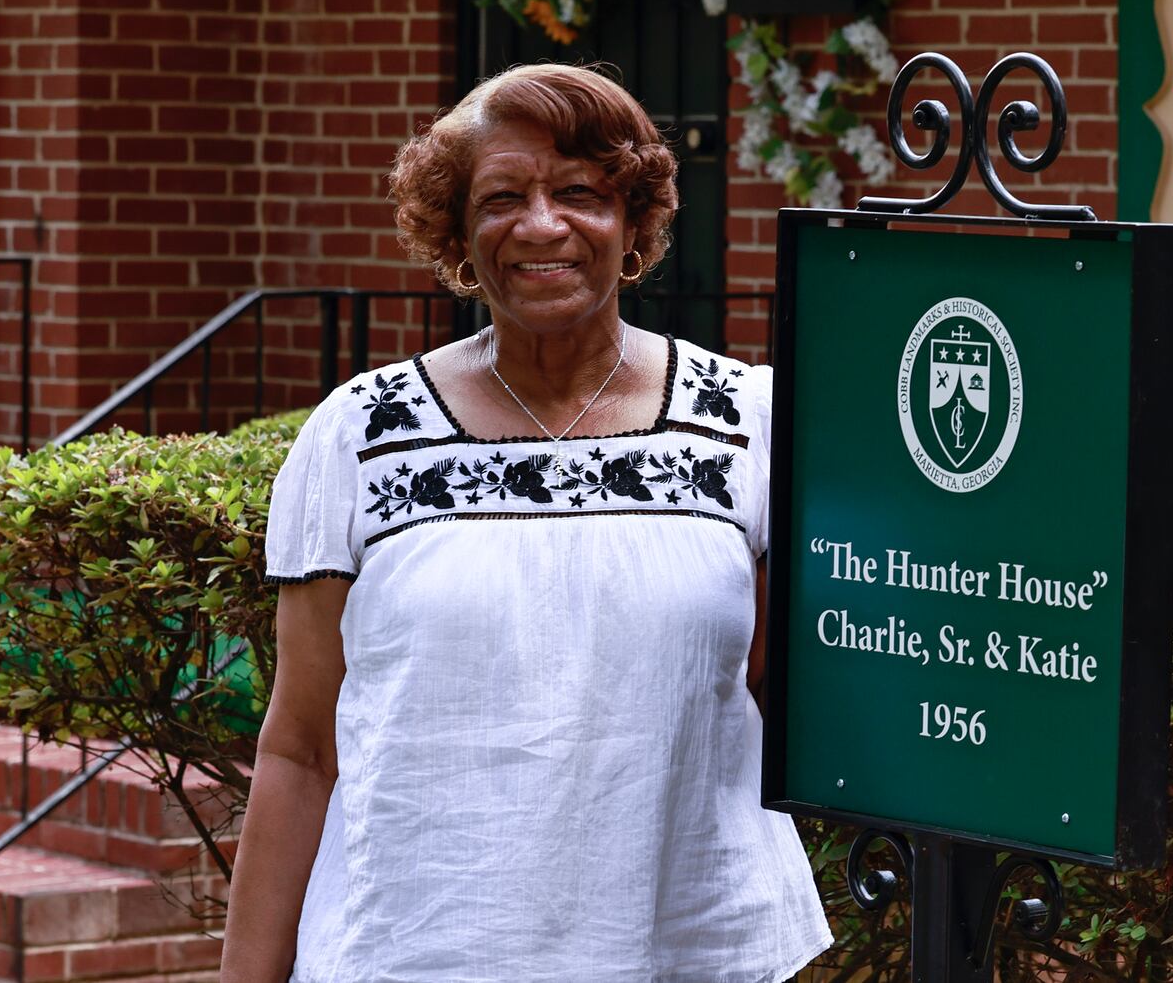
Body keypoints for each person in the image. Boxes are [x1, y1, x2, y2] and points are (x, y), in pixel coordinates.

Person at [220, 63, 832, 983]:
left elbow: (783, 699)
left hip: (689, 949)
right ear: (461, 235)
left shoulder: (750, 422)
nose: (541, 224)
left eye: (580, 192)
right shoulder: (361, 436)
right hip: (408, 953)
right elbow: (301, 750)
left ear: (633, 224)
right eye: (503, 196)